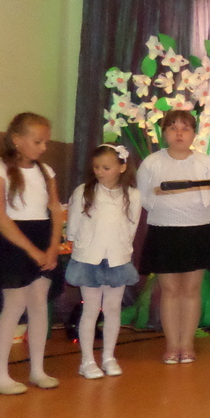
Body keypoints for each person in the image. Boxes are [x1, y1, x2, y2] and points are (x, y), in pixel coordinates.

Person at [0, 112, 64, 394]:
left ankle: (37, 370)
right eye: (38, 142)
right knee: (14, 305)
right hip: (12, 241)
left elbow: (55, 210)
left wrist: (52, 248)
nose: (44, 148)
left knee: (39, 303)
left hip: (43, 237)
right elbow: (0, 217)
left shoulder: (46, 171)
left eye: (45, 142)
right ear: (17, 140)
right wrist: (31, 251)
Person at [137, 109, 210, 364]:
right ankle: (172, 345)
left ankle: (187, 344)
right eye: (173, 128)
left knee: (191, 290)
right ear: (164, 133)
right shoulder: (152, 162)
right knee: (170, 291)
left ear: (194, 134)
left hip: (197, 230)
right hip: (164, 231)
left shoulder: (205, 162)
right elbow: (144, 197)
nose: (179, 133)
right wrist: (162, 195)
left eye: (185, 128)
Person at [65, 143, 141, 379]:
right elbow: (73, 225)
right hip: (89, 258)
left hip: (117, 259)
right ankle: (87, 360)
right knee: (90, 309)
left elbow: (132, 227)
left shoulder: (132, 195)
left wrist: (123, 250)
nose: (99, 171)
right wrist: (77, 245)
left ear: (122, 167)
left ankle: (108, 356)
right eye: (96, 167)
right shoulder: (83, 191)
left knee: (112, 309)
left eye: (106, 167)